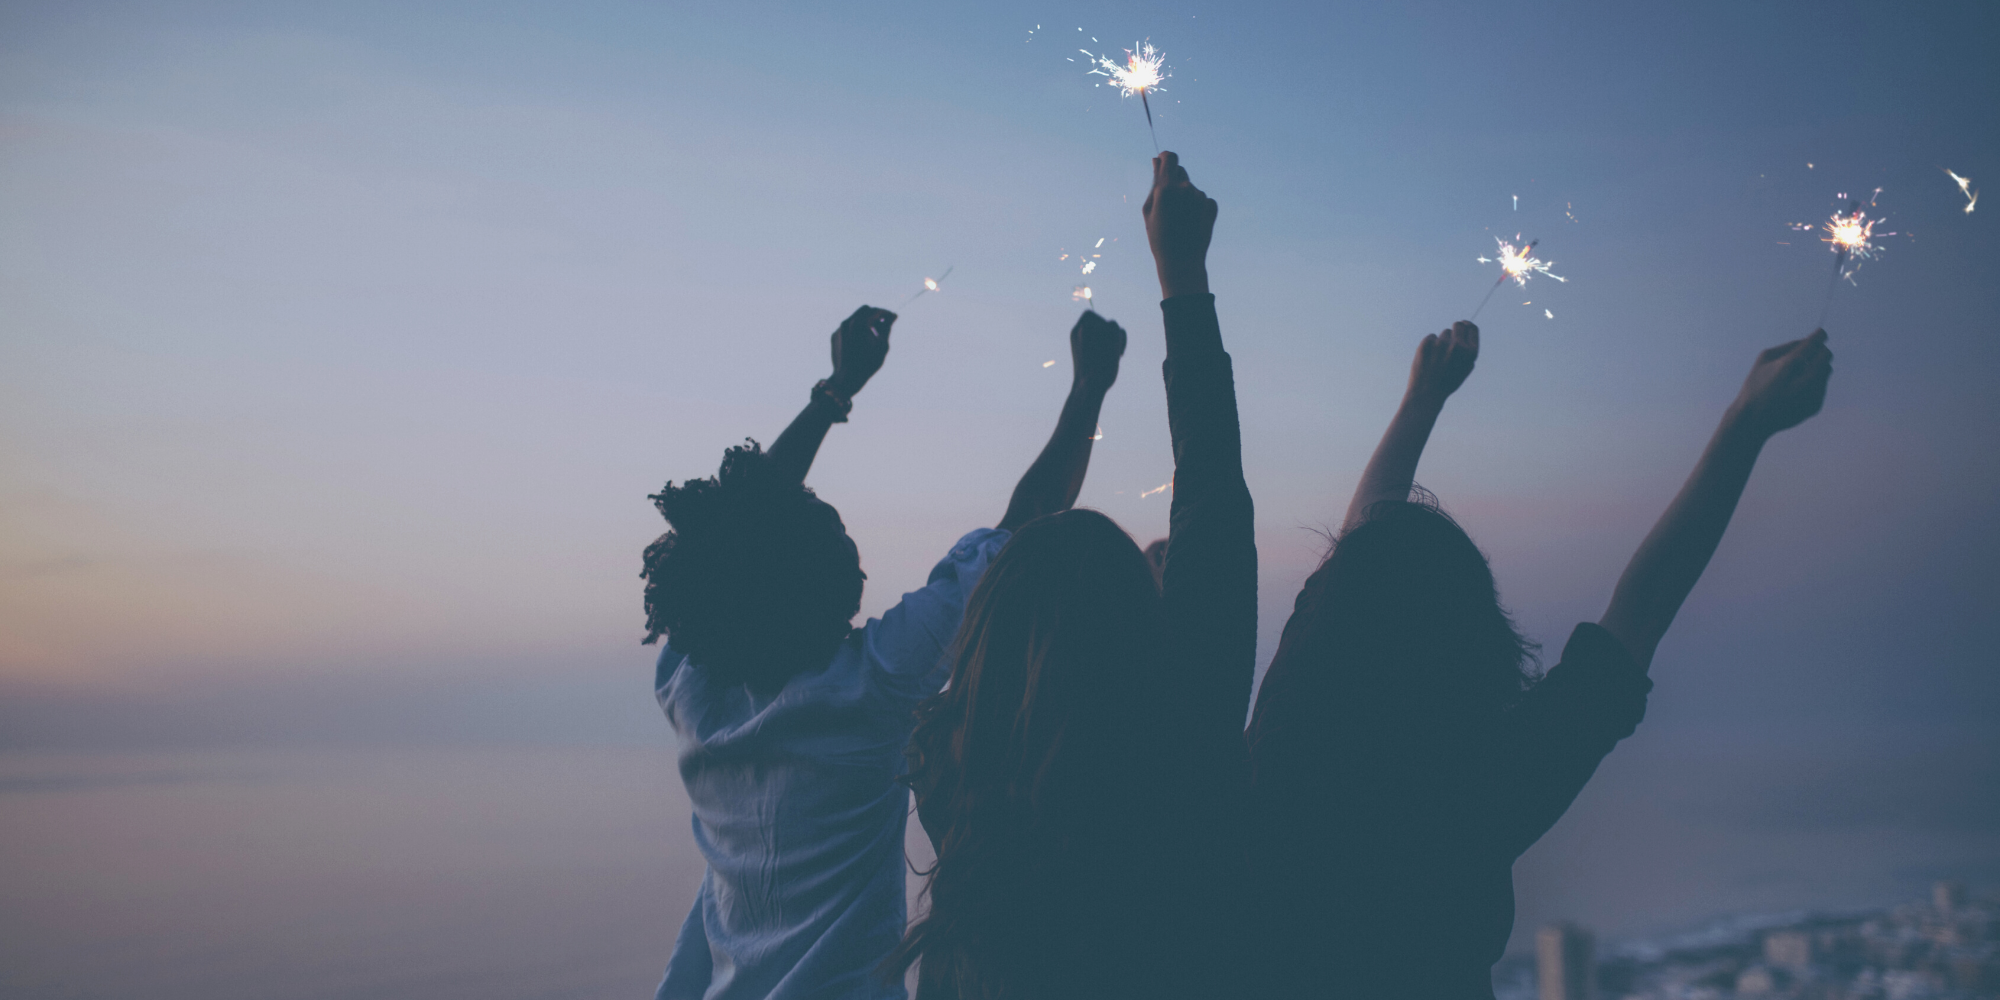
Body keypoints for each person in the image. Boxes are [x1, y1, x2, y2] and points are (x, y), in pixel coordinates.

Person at [1244, 322, 1836, 997]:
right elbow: (1641, 609)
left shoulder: (1284, 736)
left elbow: (1364, 554)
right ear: (1480, 641)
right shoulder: (1481, 788)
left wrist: (1423, 399)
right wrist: (1746, 424)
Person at [642, 303, 1129, 1000]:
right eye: (817, 521)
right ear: (815, 580)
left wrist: (835, 392)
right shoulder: (870, 688)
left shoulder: (692, 687)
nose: (826, 514)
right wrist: (1089, 391)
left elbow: (734, 541)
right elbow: (1021, 531)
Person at [892, 151, 1257, 1000]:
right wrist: (1182, 278)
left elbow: (1013, 553)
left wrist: (1095, 384)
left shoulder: (950, 784)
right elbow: (1212, 496)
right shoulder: (1178, 762)